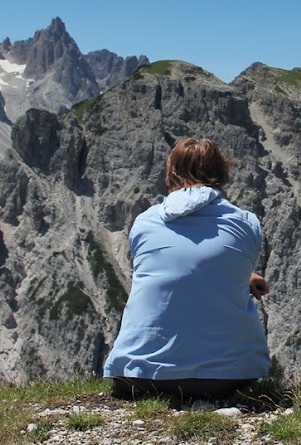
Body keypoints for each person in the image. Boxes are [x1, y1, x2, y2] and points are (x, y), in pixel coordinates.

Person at [103, 137, 271, 399]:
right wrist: (244, 276)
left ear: (170, 173)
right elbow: (214, 264)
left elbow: (168, 268)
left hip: (140, 377)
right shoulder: (246, 223)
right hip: (231, 377)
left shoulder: (144, 221)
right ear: (221, 173)